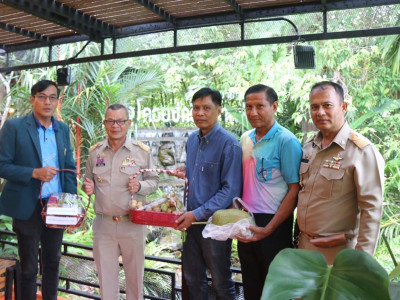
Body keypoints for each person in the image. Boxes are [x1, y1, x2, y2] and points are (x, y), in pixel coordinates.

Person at [0, 80, 77, 300]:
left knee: (53, 263)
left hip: (57, 206)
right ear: (32, 99)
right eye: (42, 96)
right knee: (29, 267)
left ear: (57, 101)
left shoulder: (61, 129)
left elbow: (69, 168)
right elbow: (2, 165)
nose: (47, 102)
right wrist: (34, 173)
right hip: (28, 205)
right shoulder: (14, 127)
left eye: (52, 97)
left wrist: (71, 204)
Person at [297, 81, 385, 264]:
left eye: (327, 105)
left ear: (343, 107)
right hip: (305, 248)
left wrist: (361, 262)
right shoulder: (309, 148)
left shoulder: (361, 152)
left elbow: (372, 210)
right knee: (304, 295)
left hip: (338, 254)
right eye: (314, 107)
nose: (320, 112)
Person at [82, 104, 159, 300]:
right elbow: (88, 181)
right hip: (104, 224)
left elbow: (155, 181)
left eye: (120, 121)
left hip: (132, 224)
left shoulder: (142, 152)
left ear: (128, 123)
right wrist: (87, 188)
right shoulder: (95, 153)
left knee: (134, 280)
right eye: (111, 121)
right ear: (104, 123)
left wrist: (140, 186)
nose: (115, 125)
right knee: (106, 282)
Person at [174, 87, 242, 300]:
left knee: (221, 282)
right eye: (196, 108)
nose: (200, 113)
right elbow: (198, 176)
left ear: (219, 110)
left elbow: (230, 190)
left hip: (215, 225)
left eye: (206, 108)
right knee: (193, 281)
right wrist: (186, 173)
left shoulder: (229, 143)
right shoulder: (193, 140)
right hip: (191, 224)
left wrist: (197, 214)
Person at [235, 84, 302, 300]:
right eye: (248, 107)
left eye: (260, 106)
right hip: (247, 221)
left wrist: (270, 228)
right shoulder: (245, 138)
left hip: (275, 223)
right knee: (251, 285)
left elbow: (295, 190)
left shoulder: (287, 141)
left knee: (274, 291)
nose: (253, 112)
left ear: (274, 106)